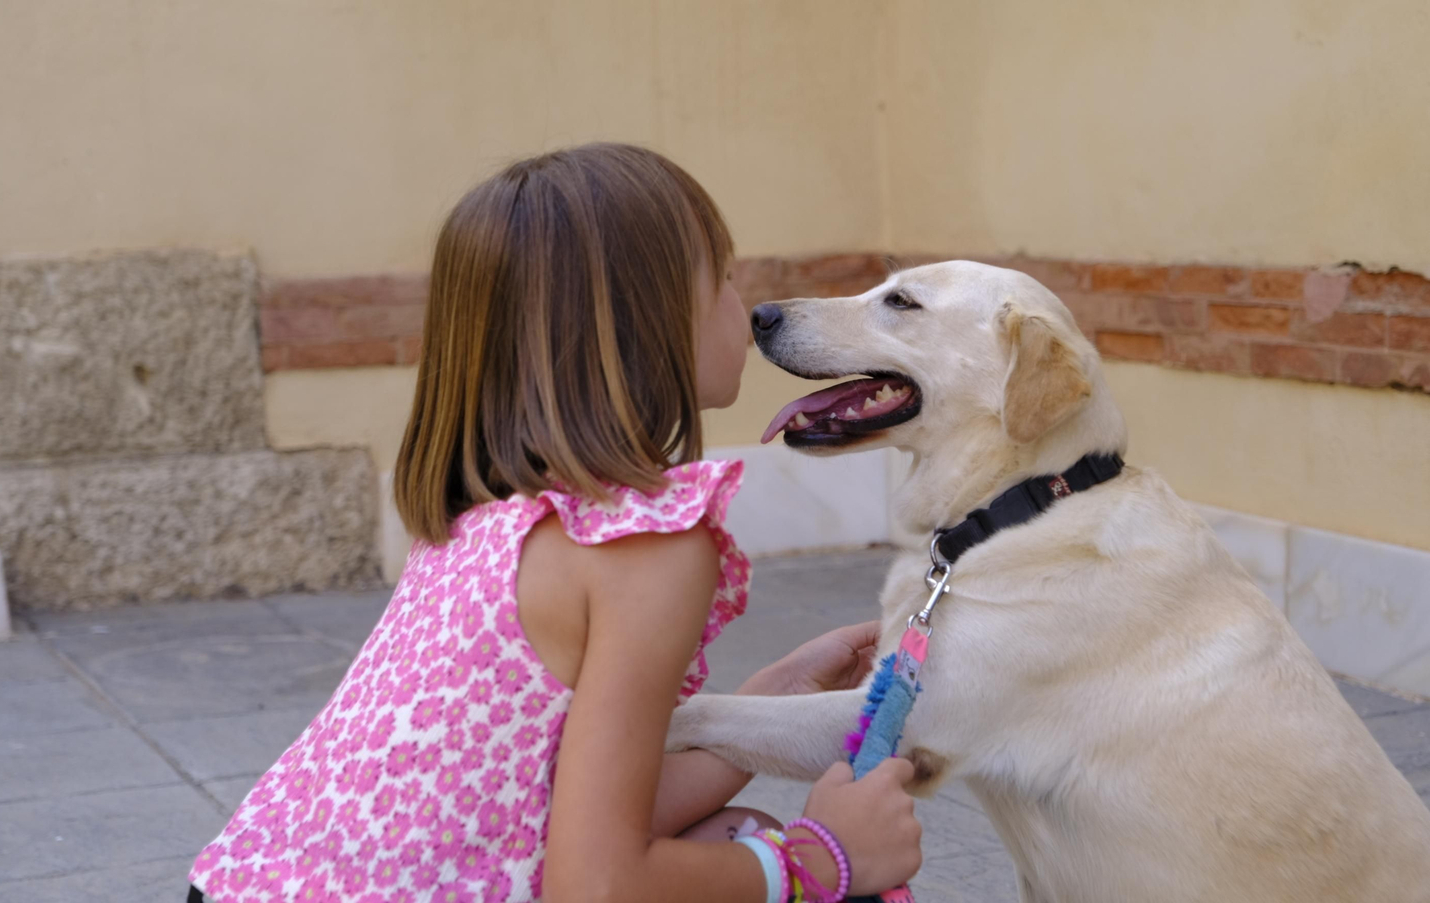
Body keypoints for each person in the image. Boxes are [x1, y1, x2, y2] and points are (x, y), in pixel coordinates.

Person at [187, 143, 923, 903]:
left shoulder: (483, 518)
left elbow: (549, 825)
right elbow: (596, 885)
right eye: (727, 277)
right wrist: (820, 859)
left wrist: (774, 692)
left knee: (726, 838)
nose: (747, 304)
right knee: (792, 871)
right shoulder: (643, 549)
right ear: (651, 319)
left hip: (237, 885)